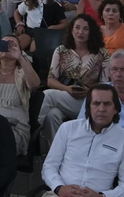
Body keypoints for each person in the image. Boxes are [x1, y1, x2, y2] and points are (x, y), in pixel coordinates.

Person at [39, 14, 107, 144]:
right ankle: (57, 152)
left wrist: (89, 91)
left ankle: (33, 128)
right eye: (77, 27)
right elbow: (50, 80)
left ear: (91, 32)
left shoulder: (102, 54)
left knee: (48, 95)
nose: (81, 32)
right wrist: (66, 89)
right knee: (52, 115)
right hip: (65, 95)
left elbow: (105, 84)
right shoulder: (61, 50)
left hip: (89, 100)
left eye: (86, 29)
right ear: (71, 30)